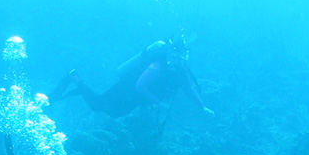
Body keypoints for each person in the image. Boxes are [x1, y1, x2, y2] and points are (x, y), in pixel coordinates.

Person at [50, 37, 215, 119]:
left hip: (136, 98)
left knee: (115, 113)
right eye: (176, 55)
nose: (178, 59)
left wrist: (203, 107)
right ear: (170, 53)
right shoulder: (157, 65)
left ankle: (80, 86)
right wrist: (158, 103)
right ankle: (75, 78)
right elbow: (140, 86)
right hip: (125, 89)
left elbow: (189, 88)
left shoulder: (181, 70)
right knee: (98, 106)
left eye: (182, 56)